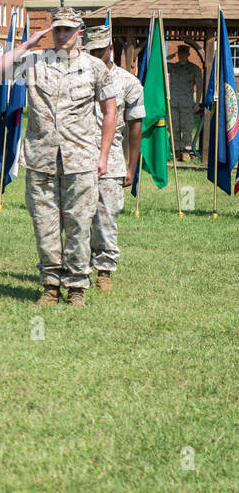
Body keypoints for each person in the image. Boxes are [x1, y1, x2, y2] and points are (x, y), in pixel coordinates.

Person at [0, 6, 116, 307]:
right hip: (40, 160)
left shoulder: (95, 68)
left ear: (79, 32)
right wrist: (28, 45)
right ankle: (50, 286)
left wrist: (103, 155)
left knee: (79, 225)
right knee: (45, 225)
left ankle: (77, 289)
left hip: (81, 159)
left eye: (67, 29)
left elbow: (110, 111)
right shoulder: (34, 62)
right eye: (57, 29)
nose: (61, 35)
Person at [84, 25, 144, 294]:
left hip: (112, 162)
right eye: (90, 51)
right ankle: (79, 267)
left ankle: (105, 269)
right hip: (80, 157)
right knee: (79, 216)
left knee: (106, 216)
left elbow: (135, 126)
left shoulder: (128, 82)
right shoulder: (79, 77)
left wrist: (131, 166)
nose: (96, 56)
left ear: (110, 48)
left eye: (100, 50)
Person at [167, 45, 203, 160]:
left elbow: (199, 86)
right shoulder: (172, 67)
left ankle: (186, 151)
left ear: (188, 55)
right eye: (180, 54)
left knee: (187, 128)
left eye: (184, 54)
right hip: (173, 103)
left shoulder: (194, 69)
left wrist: (198, 103)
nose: (182, 56)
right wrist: (168, 57)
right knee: (173, 128)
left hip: (187, 104)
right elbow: (158, 64)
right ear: (177, 55)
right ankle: (176, 151)